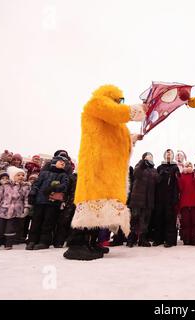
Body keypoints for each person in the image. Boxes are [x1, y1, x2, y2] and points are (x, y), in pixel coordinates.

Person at [63, 84, 146, 260]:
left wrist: (133, 138)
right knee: (90, 202)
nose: (119, 103)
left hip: (107, 169)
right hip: (96, 164)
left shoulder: (115, 122)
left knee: (99, 209)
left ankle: (91, 243)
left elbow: (118, 139)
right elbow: (115, 112)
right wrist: (137, 110)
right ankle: (76, 245)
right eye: (119, 100)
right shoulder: (96, 103)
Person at [27, 156, 69, 250]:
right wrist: (32, 194)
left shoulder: (63, 175)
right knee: (36, 221)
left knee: (48, 222)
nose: (63, 163)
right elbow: (36, 184)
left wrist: (54, 188)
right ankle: (32, 240)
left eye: (64, 163)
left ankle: (44, 242)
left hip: (52, 203)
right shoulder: (44, 173)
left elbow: (64, 186)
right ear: (54, 162)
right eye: (61, 162)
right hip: (40, 201)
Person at [0, 167, 30, 250]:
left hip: (15, 211)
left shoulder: (25, 187)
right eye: (18, 175)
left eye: (23, 175)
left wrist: (26, 208)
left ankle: (8, 244)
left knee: (10, 229)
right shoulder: (5, 185)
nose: (21, 176)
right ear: (13, 176)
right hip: (2, 210)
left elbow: (27, 198)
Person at [127, 152, 159, 247]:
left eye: (151, 157)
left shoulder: (154, 170)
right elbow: (136, 174)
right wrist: (142, 163)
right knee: (134, 219)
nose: (150, 159)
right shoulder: (139, 166)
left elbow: (157, 180)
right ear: (144, 158)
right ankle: (131, 239)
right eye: (148, 157)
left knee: (145, 220)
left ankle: (142, 239)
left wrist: (162, 176)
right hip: (137, 199)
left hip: (148, 200)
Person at [153, 149, 179, 247]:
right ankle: (158, 239)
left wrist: (175, 197)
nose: (168, 154)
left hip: (170, 197)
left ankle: (170, 240)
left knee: (170, 218)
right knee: (159, 217)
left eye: (170, 153)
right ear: (164, 155)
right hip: (160, 197)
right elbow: (156, 182)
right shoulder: (159, 167)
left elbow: (177, 184)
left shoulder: (175, 167)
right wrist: (160, 175)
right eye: (167, 153)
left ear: (173, 156)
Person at [178, 162, 195, 245]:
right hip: (184, 202)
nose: (188, 167)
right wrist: (181, 174)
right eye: (186, 166)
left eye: (190, 166)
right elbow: (180, 187)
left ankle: (194, 240)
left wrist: (194, 175)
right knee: (185, 223)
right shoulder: (181, 175)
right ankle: (186, 240)